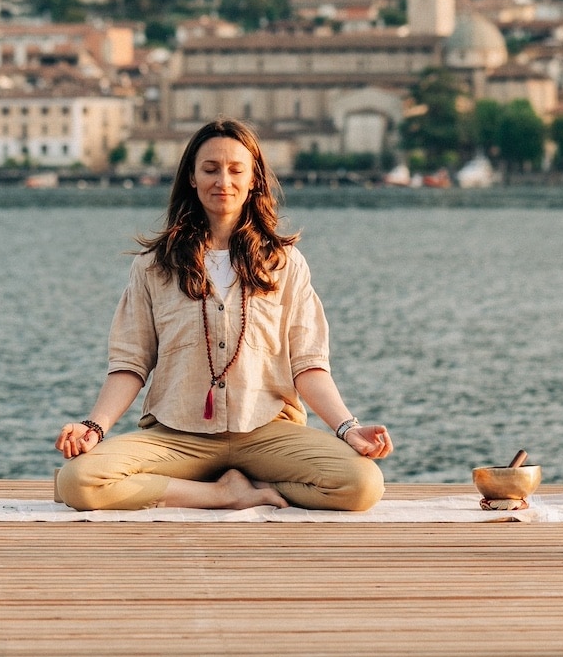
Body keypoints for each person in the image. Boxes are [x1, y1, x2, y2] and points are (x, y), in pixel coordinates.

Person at [53, 119, 392, 512]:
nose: (223, 181)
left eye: (236, 170)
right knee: (77, 482)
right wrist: (94, 428)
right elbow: (130, 364)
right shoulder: (152, 266)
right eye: (210, 169)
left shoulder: (285, 265)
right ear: (192, 179)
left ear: (254, 181)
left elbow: (309, 366)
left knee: (363, 484)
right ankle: (222, 493)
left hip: (268, 434)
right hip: (177, 437)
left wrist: (349, 429)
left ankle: (252, 480)